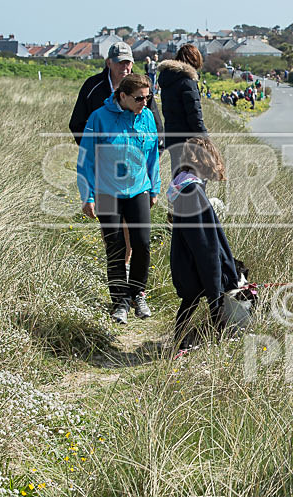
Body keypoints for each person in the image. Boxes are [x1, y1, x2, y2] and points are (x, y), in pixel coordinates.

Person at [69, 42, 164, 282]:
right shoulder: (93, 87)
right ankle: (118, 280)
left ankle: (129, 272)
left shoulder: (140, 87)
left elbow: (152, 123)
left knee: (136, 235)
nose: (125, 66)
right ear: (109, 62)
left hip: (135, 178)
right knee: (114, 237)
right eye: (121, 62)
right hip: (106, 176)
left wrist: (152, 160)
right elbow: (77, 123)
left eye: (129, 62)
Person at [77, 74, 160, 324]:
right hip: (106, 192)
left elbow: (153, 155)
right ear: (122, 96)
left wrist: (154, 188)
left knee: (142, 244)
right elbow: (86, 161)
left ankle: (138, 293)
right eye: (138, 98)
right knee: (115, 248)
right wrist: (87, 196)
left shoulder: (146, 117)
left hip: (138, 189)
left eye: (148, 97)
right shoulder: (98, 118)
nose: (144, 103)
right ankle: (120, 302)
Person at [167, 137, 239, 352]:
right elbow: (204, 245)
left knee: (190, 301)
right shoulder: (192, 193)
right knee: (209, 303)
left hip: (188, 261)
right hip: (199, 265)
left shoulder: (184, 185)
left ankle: (179, 342)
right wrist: (214, 280)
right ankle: (211, 346)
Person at [157, 44, 208, 178]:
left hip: (173, 138)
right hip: (189, 140)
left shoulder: (167, 79)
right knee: (193, 182)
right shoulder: (187, 82)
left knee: (178, 181)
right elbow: (194, 114)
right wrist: (204, 138)